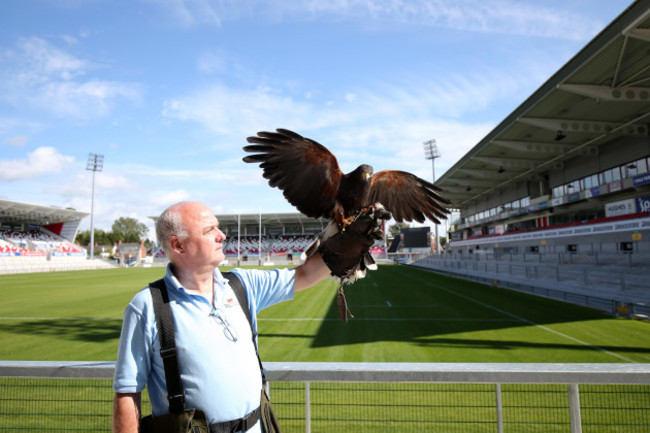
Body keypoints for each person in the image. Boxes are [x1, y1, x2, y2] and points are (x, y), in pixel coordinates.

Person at [112, 201, 387, 433]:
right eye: (210, 230)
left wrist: (354, 241)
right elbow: (127, 393)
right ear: (178, 245)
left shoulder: (243, 284)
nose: (222, 235)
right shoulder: (148, 306)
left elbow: (304, 275)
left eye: (219, 227)